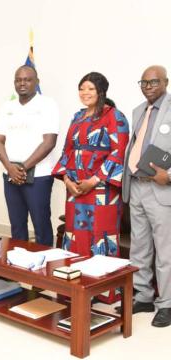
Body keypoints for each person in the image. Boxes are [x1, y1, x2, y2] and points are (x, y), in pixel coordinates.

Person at [52, 72, 129, 301]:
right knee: (75, 237)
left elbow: (119, 152)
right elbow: (67, 151)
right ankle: (74, 287)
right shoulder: (77, 117)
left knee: (101, 237)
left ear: (101, 92)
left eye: (90, 89)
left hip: (103, 191)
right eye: (82, 88)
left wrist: (93, 181)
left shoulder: (115, 116)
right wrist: (67, 180)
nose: (85, 93)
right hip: (75, 190)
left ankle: (102, 292)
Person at [122, 65, 171, 327]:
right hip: (137, 185)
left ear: (165, 82)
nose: (148, 87)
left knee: (166, 251)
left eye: (153, 82)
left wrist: (170, 175)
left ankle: (167, 304)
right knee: (140, 246)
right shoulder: (138, 111)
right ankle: (143, 295)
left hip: (162, 189)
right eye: (144, 82)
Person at [0, 65, 59, 246]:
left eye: (27, 79)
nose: (22, 83)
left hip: (39, 176)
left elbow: (49, 141)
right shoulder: (7, 106)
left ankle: (44, 270)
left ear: (37, 82)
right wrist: (10, 168)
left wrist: (22, 168)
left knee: (41, 225)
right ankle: (18, 271)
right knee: (17, 226)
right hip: (10, 175)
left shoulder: (48, 104)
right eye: (18, 79)